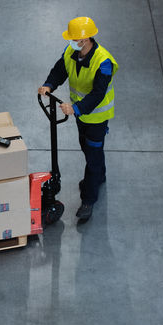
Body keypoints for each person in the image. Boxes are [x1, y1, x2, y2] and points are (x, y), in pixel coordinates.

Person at [38, 17, 118, 221]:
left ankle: (89, 199)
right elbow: (60, 70)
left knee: (92, 156)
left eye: (75, 39)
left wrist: (76, 108)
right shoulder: (71, 52)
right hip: (81, 116)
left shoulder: (103, 62)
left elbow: (98, 93)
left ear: (85, 39)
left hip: (97, 117)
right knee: (87, 147)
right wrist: (49, 85)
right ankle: (100, 175)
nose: (71, 42)